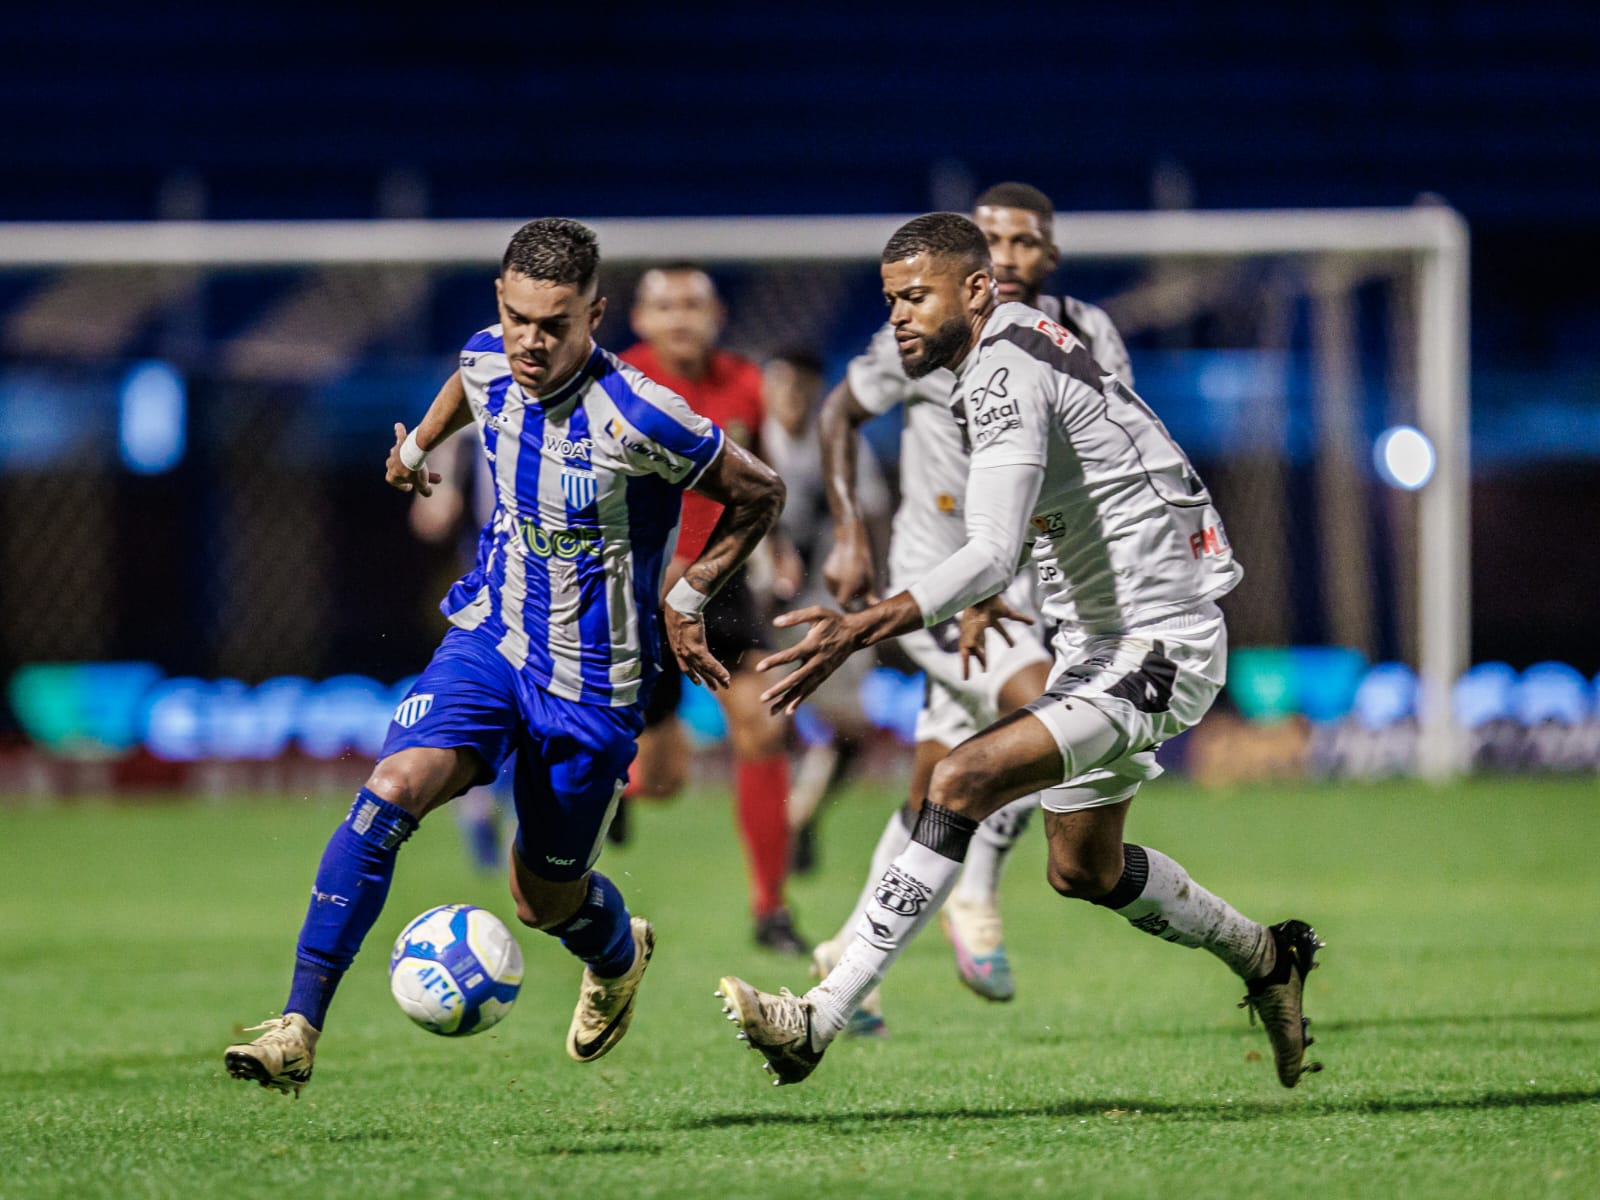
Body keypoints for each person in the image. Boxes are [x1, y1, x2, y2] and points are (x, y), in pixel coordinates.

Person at [716, 213, 1323, 1090]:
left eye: (916, 297)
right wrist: (995, 585)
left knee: (958, 778)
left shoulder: (999, 370)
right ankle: (1267, 956)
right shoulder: (1022, 343)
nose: (898, 318)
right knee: (1084, 868)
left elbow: (996, 542)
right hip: (1098, 639)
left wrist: (867, 620)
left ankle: (821, 1014)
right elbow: (1079, 485)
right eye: (890, 302)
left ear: (976, 288)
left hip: (1155, 643)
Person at [224, 218, 784, 1096]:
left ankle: (614, 951)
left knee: (542, 898)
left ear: (594, 316)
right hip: (492, 637)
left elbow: (761, 492)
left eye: (554, 324)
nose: (530, 341)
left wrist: (687, 596)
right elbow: (469, 377)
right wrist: (417, 448)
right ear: (500, 300)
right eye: (519, 316)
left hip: (596, 685)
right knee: (390, 792)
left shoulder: (643, 415)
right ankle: (296, 1025)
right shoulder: (490, 354)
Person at [812, 183, 1135, 1030]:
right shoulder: (923, 328)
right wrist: (849, 530)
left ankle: (846, 957)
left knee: (936, 788)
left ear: (1047, 256)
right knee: (1049, 714)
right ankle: (977, 898)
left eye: (1023, 241)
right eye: (990, 241)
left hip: (1039, 585)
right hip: (943, 581)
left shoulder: (1086, 332)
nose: (1007, 256)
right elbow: (839, 414)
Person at [619, 265, 810, 955]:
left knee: (762, 727)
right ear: (638, 319)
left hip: (720, 582)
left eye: (692, 305)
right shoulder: (612, 383)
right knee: (663, 780)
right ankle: (616, 795)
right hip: (637, 589)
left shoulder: (745, 385)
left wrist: (778, 548)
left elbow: (754, 481)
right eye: (664, 306)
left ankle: (771, 909)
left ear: (717, 313)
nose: (679, 318)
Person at [759, 348, 890, 875]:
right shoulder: (744, 438)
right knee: (764, 724)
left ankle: (802, 811)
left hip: (827, 608)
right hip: (752, 607)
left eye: (801, 387)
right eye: (781, 385)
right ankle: (776, 829)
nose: (790, 398)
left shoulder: (841, 444)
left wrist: (876, 590)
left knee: (852, 730)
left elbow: (875, 517)